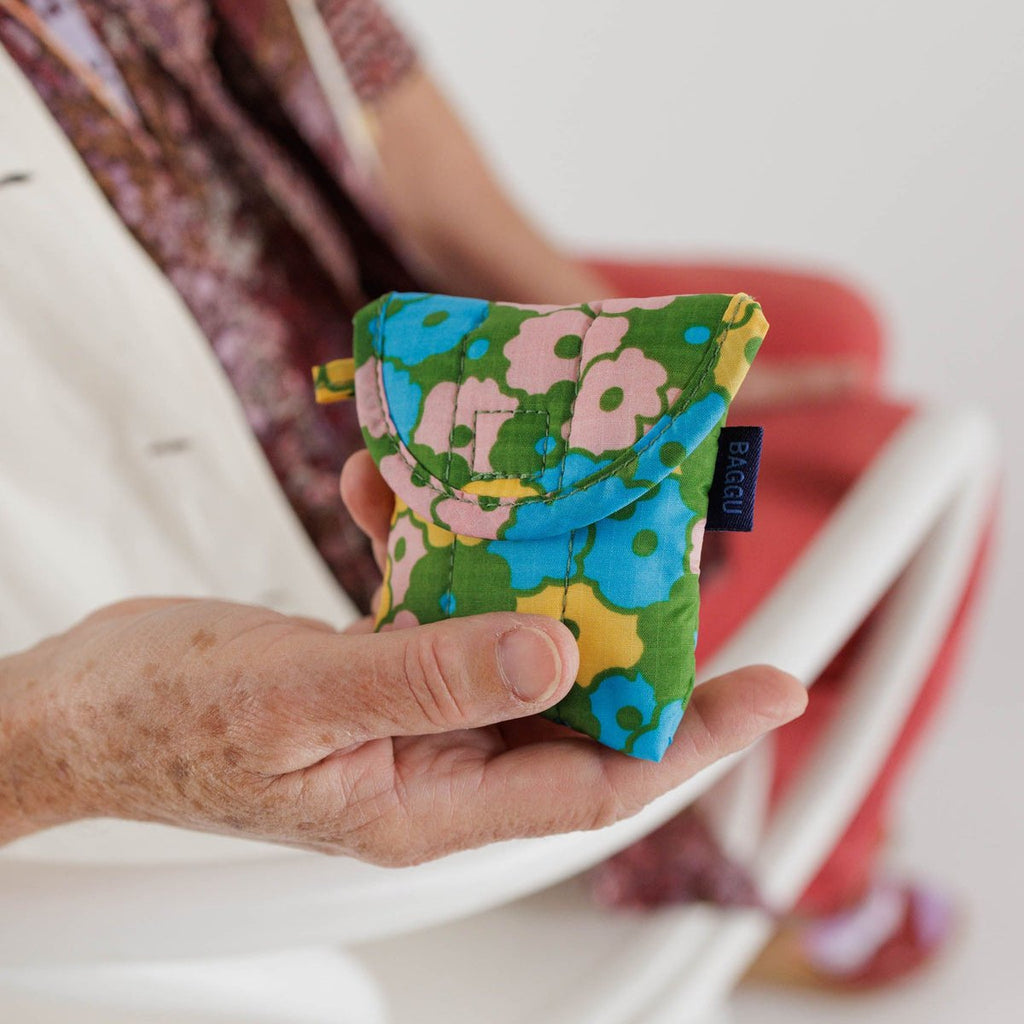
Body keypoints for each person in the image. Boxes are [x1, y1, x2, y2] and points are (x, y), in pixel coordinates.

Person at [0, 0, 963, 992]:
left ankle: (773, 787)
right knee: (876, 454)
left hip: (345, 289)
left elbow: (365, 72)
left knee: (836, 330)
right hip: (235, 469)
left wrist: (616, 354)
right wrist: (64, 745)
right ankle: (805, 871)